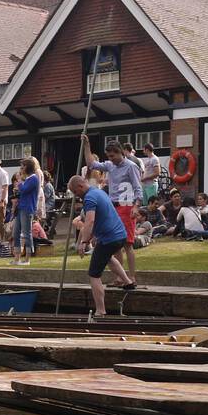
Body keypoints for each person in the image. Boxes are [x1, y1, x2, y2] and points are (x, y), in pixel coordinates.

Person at [67, 174, 136, 317]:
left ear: (80, 186)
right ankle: (127, 281)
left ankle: (100, 310)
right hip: (119, 235)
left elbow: (90, 221)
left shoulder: (90, 198)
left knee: (94, 274)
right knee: (108, 257)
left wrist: (84, 242)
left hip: (110, 238)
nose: (76, 196)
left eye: (75, 192)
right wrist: (90, 237)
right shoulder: (98, 192)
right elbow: (98, 220)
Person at [82, 135, 141, 286]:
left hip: (127, 205)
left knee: (127, 244)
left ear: (120, 152)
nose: (111, 158)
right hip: (114, 207)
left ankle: (132, 276)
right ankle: (120, 277)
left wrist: (136, 206)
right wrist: (87, 145)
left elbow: (137, 187)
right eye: (108, 156)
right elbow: (91, 163)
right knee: (116, 245)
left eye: (112, 156)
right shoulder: (109, 165)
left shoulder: (131, 166)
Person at [12, 158, 42, 266]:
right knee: (16, 232)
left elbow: (24, 190)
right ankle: (17, 258)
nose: (21, 169)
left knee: (26, 233)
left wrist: (19, 181)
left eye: (23, 166)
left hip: (27, 208)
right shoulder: (28, 179)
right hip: (21, 207)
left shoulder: (34, 179)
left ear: (28, 167)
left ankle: (27, 259)